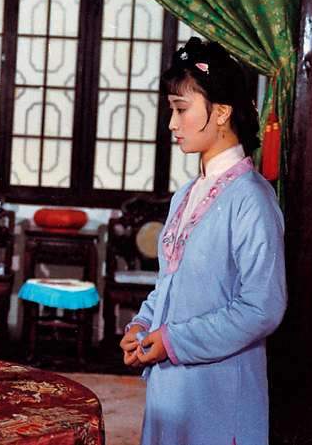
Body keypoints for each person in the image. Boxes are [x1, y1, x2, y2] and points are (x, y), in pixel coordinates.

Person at [120, 37, 286, 445]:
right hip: (170, 385)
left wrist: (173, 340)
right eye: (171, 110)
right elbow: (170, 283)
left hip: (220, 389)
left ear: (222, 112)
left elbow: (262, 307)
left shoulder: (252, 199)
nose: (172, 124)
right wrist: (143, 323)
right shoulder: (186, 195)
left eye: (181, 109)